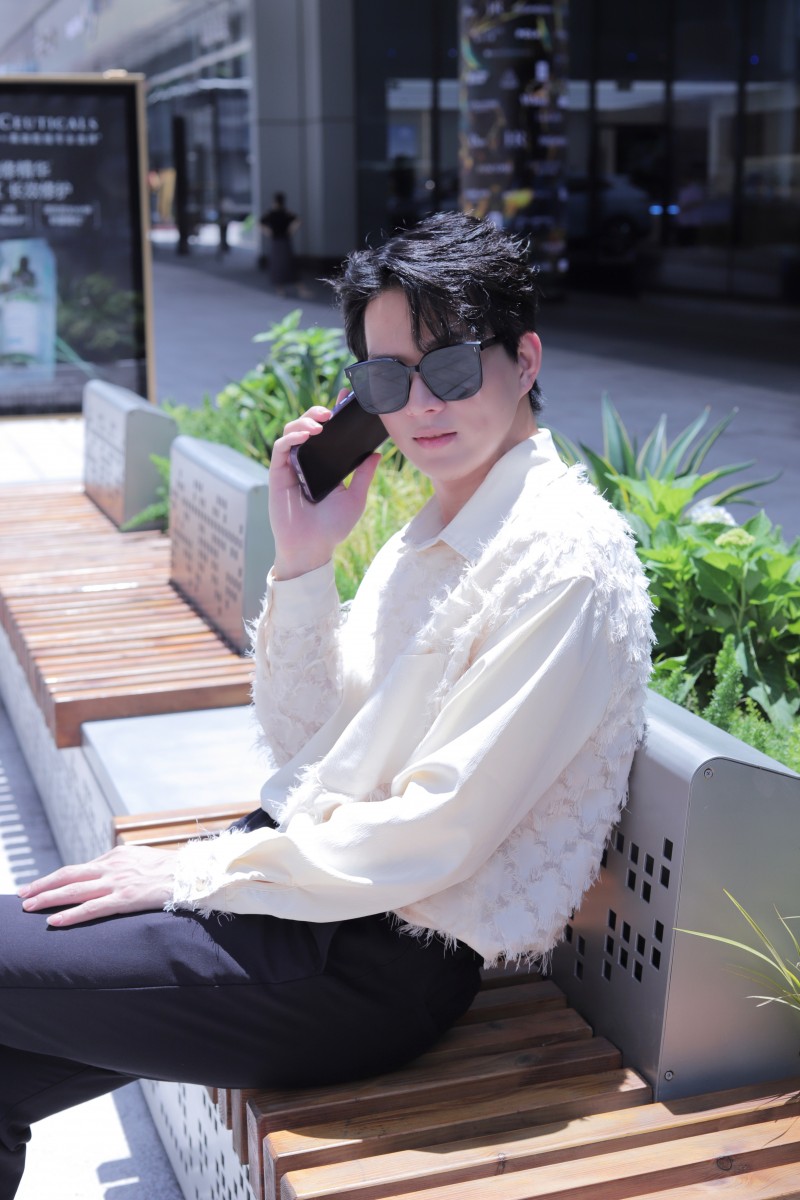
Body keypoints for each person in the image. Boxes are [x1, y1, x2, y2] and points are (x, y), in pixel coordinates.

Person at [0, 211, 653, 1198]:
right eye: (385, 380)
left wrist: (193, 871)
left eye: (449, 368)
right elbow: (310, 740)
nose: (418, 405)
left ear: (524, 361)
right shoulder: (440, 531)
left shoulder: (564, 562)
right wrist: (304, 561)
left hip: (368, 961)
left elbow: (436, 830)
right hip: (304, 895)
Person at [259, 191, 306, 294]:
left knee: (278, 265)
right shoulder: (286, 212)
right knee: (289, 265)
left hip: (276, 241)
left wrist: (268, 232)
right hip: (285, 241)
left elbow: (260, 223)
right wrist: (291, 230)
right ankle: (299, 289)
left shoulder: (271, 213)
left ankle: (280, 290)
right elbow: (298, 221)